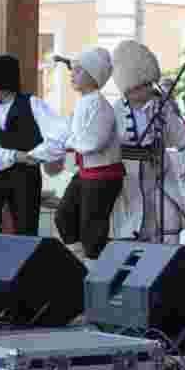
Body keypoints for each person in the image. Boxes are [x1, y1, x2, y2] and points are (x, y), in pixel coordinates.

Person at [109, 41, 185, 246]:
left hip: (160, 176)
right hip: (128, 182)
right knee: (134, 229)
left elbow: (183, 139)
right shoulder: (114, 110)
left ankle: (167, 271)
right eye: (140, 85)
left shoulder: (162, 108)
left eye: (148, 84)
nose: (146, 89)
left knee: (170, 221)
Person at [0, 55, 66, 237]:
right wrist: (14, 156)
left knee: (26, 224)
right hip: (2, 170)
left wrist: (36, 155)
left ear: (9, 85)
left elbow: (59, 134)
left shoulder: (32, 103)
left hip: (27, 172)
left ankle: (26, 262)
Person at [53, 48, 125, 270]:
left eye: (77, 71)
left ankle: (94, 275)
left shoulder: (100, 106)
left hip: (103, 175)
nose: (71, 75)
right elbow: (71, 134)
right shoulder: (83, 102)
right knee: (64, 216)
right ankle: (81, 264)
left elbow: (92, 142)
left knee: (92, 229)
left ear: (93, 75)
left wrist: (67, 143)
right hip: (87, 173)